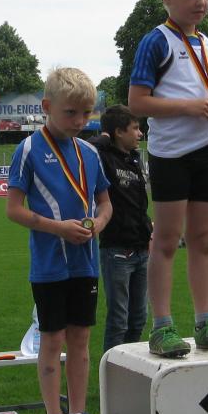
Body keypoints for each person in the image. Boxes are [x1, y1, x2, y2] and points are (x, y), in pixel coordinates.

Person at [128, 0, 208, 358]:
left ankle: (206, 323)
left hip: (207, 151)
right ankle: (161, 327)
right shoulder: (157, 41)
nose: (201, 2)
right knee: (165, 240)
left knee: (202, 239)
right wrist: (190, 107)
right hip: (171, 154)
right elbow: (137, 102)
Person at [7, 67, 114, 414]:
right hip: (50, 264)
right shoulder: (29, 150)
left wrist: (99, 223)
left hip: (85, 263)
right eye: (71, 113)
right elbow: (14, 210)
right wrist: (58, 229)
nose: (80, 121)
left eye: (86, 113)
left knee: (81, 340)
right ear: (47, 106)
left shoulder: (90, 152)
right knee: (52, 340)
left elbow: (105, 203)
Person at [90, 105, 152, 352]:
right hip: (117, 250)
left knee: (138, 318)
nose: (140, 133)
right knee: (118, 320)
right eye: (135, 128)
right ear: (118, 132)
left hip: (141, 249)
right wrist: (105, 136)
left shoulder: (134, 159)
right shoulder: (103, 156)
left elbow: (137, 203)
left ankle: (131, 365)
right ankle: (112, 371)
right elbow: (87, 146)